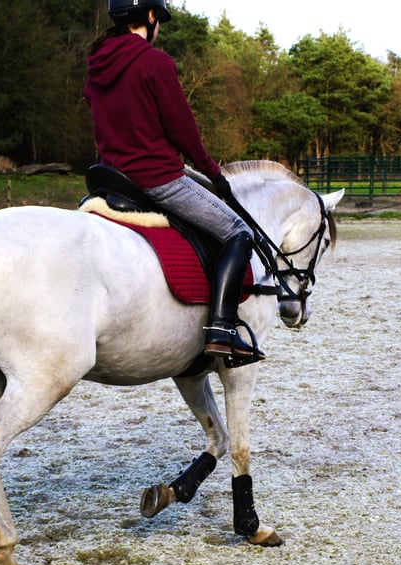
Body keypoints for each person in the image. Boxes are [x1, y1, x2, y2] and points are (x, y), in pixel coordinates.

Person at [84, 0, 265, 365]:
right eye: (159, 20)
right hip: (155, 177)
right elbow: (183, 129)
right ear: (151, 17)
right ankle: (221, 329)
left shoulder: (96, 66)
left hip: (111, 177)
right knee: (237, 232)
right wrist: (212, 171)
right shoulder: (156, 63)